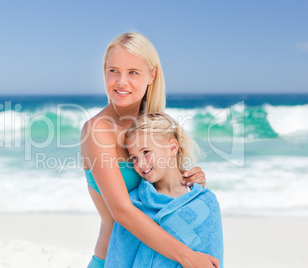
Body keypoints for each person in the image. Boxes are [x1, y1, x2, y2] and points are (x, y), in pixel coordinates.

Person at [81, 32, 219, 267]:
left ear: (151, 75)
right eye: (113, 70)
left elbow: (166, 193)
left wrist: (191, 179)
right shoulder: (97, 130)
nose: (121, 81)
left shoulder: (155, 126)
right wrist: (188, 258)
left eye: (133, 72)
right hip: (115, 261)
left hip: (161, 259)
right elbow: (122, 212)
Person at [104, 112, 223, 267]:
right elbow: (118, 259)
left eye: (146, 152)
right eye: (134, 158)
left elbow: (213, 257)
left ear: (172, 147)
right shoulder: (134, 205)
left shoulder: (206, 202)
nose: (140, 164)